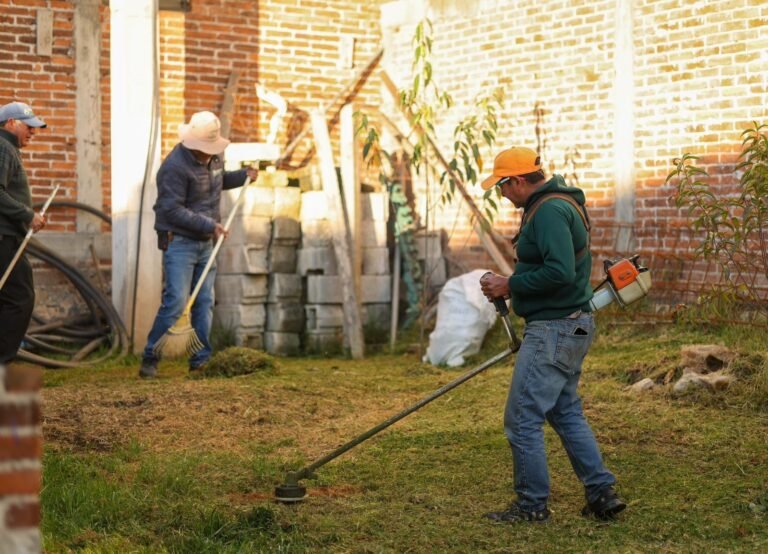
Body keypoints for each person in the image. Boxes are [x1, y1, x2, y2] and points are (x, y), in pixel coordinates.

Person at [479, 146, 625, 523]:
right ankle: (601, 493)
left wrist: (509, 285)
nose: (501, 194)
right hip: (570, 324)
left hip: (555, 329)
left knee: (523, 418)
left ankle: (531, 506)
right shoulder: (555, 204)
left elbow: (559, 272)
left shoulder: (548, 212)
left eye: (501, 186)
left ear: (518, 180)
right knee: (564, 411)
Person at [138, 111, 257, 378]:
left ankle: (200, 360)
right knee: (176, 302)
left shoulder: (214, 158)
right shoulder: (173, 168)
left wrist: (243, 176)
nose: (208, 154)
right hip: (179, 241)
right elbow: (171, 210)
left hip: (207, 243)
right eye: (204, 150)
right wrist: (209, 225)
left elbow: (217, 182)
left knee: (205, 301)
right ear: (192, 143)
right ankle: (150, 358)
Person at [0, 101, 48, 365]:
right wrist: (28, 215)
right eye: (28, 126)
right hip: (4, 240)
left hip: (6, 237)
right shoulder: (3, 147)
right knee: (20, 299)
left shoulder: (7, 149)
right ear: (10, 124)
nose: (33, 132)